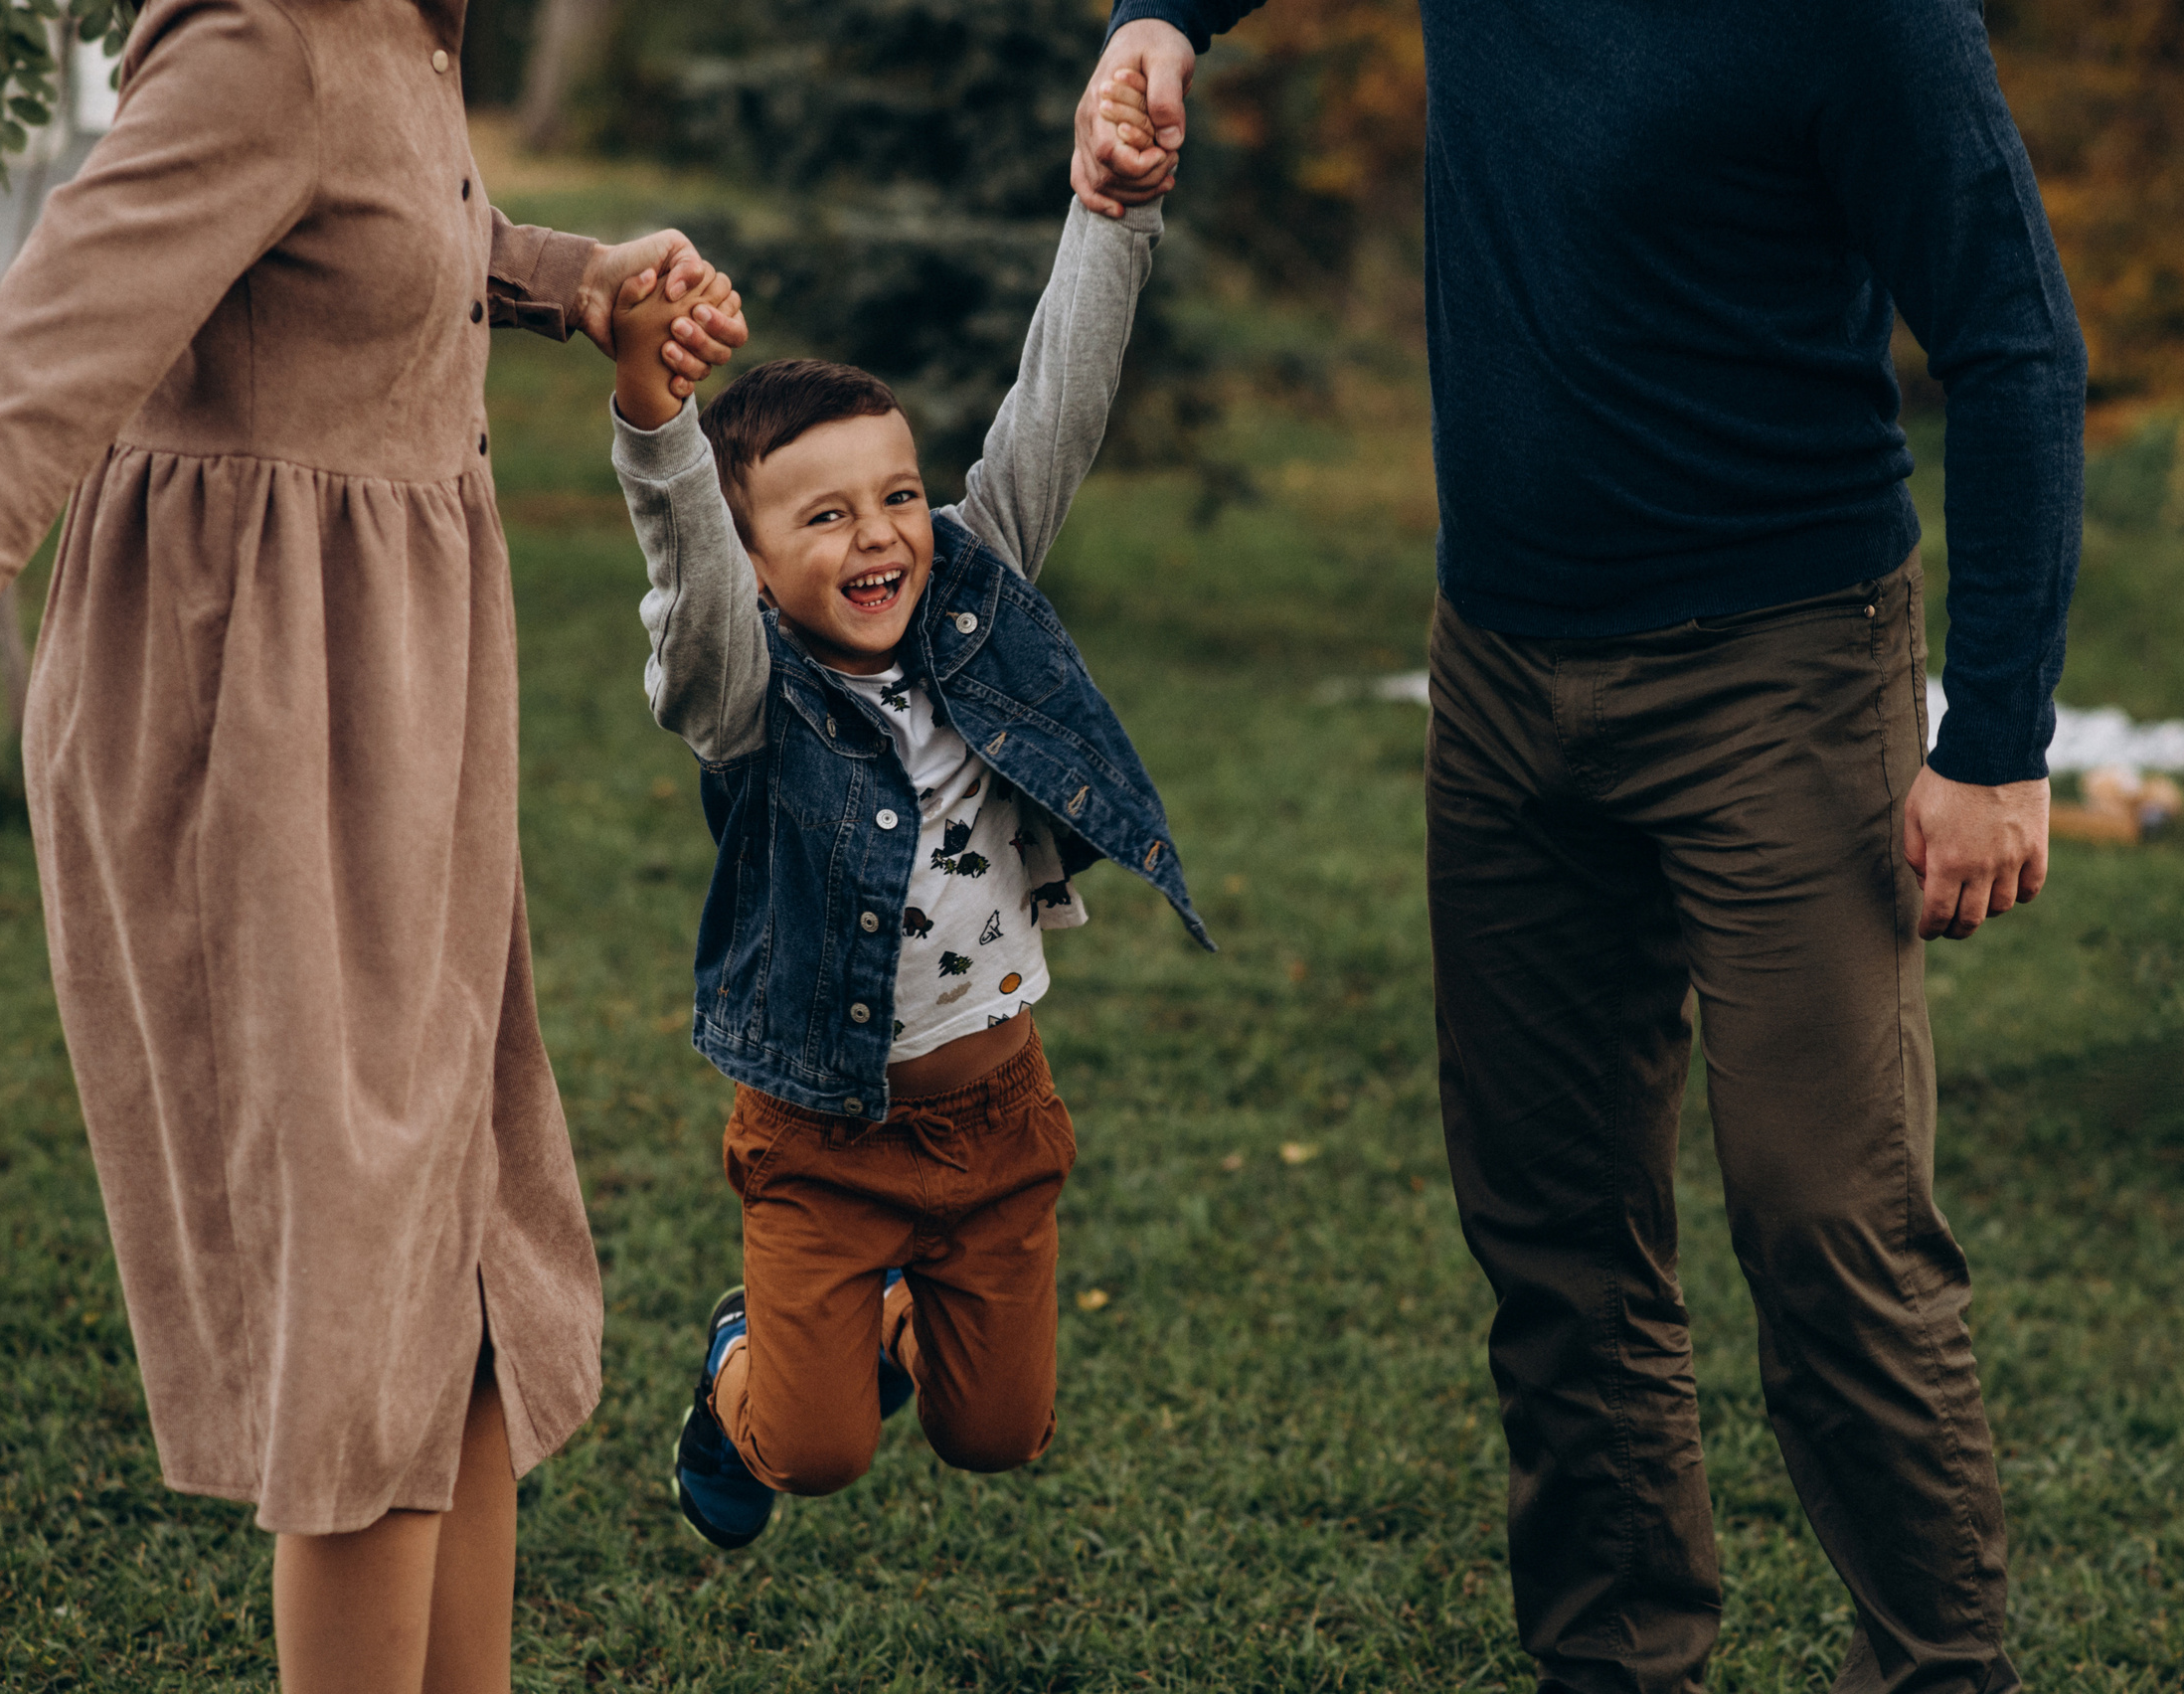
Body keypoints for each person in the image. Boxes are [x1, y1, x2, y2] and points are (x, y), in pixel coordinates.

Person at [0, 2, 747, 1688]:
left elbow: (389, 219)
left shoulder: (403, 34)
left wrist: (573, 279)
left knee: (461, 1271)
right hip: (256, 718)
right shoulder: (263, 41)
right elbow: (19, 391)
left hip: (402, 704)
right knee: (363, 1314)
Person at [1076, 6, 2084, 1692]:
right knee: (1553, 1233)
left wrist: (1995, 742)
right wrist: (1159, 20)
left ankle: (1937, 1674)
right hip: (1501, 666)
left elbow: (2016, 340)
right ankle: (1615, 1665)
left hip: (1780, 668)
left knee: (1828, 1230)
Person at [600, 72, 1211, 1551]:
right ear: (756, 566)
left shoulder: (971, 581)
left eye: (895, 495)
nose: (880, 535)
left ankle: (881, 1327)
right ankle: (745, 1364)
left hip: (998, 1118)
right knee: (810, 1455)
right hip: (823, 1137)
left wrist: (1110, 213)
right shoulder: (746, 698)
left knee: (997, 1436)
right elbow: (687, 577)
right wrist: (656, 418)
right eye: (825, 517)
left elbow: (1056, 405)